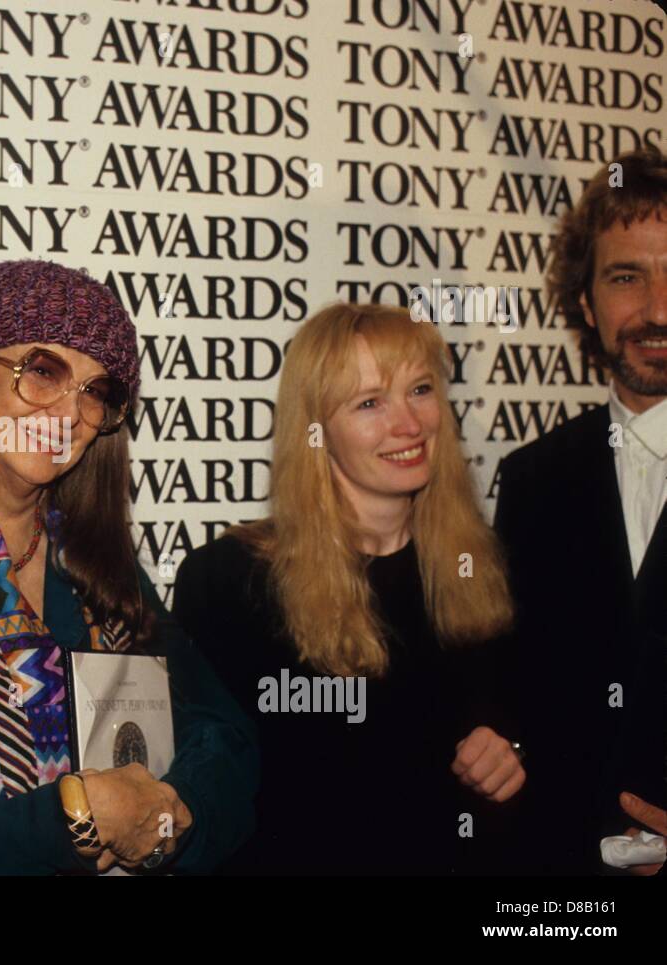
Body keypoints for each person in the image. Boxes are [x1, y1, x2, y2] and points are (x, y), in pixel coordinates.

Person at [0, 259, 257, 874]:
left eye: (96, 391)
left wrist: (169, 815)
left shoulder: (92, 562)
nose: (67, 415)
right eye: (43, 370)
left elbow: (228, 741)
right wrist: (74, 818)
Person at [173, 303, 524, 875]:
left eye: (419, 390)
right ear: (316, 430)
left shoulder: (481, 568)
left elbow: (519, 737)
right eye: (369, 403)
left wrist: (510, 754)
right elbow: (215, 799)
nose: (408, 424)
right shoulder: (227, 584)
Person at [494, 145, 667, 875]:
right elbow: (512, 696)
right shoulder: (531, 480)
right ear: (588, 303)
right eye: (628, 277)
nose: (658, 308)